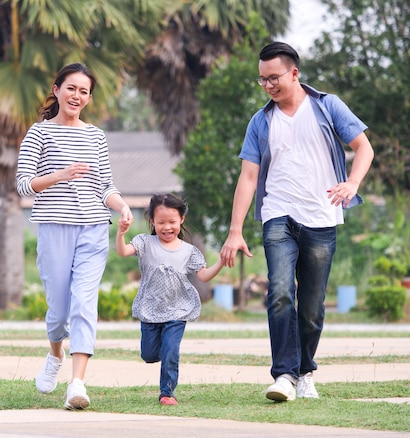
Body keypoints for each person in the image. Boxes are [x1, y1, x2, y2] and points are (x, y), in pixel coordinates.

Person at [220, 42, 374, 402]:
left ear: (294, 72)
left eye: (274, 78)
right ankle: (285, 375)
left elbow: (363, 147)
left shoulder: (326, 105)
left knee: (312, 305)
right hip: (278, 214)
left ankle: (305, 371)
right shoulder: (260, 121)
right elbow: (248, 177)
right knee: (279, 291)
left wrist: (352, 183)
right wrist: (234, 230)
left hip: (321, 216)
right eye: (262, 80)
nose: (269, 85)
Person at [16, 62, 134, 410]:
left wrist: (122, 205)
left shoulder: (95, 135)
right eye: (71, 88)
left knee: (84, 303)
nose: (77, 96)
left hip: (93, 228)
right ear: (56, 90)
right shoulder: (38, 133)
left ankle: (77, 383)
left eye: (84, 91)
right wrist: (60, 175)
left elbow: (105, 186)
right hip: (54, 229)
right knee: (58, 312)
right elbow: (24, 185)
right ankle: (55, 353)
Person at [116, 193, 225, 406]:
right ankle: (160, 356)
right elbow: (122, 252)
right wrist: (120, 234)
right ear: (152, 222)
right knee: (149, 354)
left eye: (172, 222)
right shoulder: (144, 243)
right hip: (150, 308)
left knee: (171, 351)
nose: (167, 227)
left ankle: (167, 392)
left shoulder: (188, 251)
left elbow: (203, 275)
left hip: (178, 310)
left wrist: (221, 262)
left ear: (181, 220)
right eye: (161, 222)